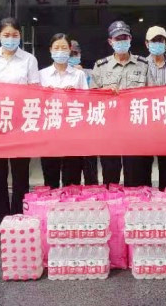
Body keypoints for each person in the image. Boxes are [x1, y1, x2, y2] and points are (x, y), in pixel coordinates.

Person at [0, 17, 40, 221]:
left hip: (20, 123)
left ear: (20, 36)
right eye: (6, 35)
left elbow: (34, 89)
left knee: (20, 172)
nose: (11, 39)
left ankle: (20, 217)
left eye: (15, 35)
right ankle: (2, 218)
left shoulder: (29, 59)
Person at [90, 20, 149, 186]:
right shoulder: (101, 66)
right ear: (110, 41)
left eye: (125, 38)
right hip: (110, 129)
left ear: (130, 39)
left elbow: (151, 94)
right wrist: (104, 91)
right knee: (110, 174)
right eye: (118, 39)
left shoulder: (143, 64)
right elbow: (92, 97)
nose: (122, 41)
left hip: (134, 128)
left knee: (134, 175)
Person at [39, 33, 88, 188]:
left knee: (72, 177)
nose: (60, 51)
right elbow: (34, 102)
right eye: (56, 48)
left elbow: (87, 102)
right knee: (50, 176)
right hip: (49, 131)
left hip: (73, 131)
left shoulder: (79, 74)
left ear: (69, 49)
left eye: (64, 48)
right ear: (50, 50)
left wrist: (76, 94)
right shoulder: (41, 75)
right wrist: (45, 95)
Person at [141, 25, 166, 190]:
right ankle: (146, 197)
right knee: (145, 164)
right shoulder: (140, 65)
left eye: (160, 40)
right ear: (146, 43)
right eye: (153, 41)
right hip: (145, 123)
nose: (157, 43)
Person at [69, 38, 99, 184]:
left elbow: (98, 94)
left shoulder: (91, 73)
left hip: (89, 128)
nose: (72, 57)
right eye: (70, 54)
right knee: (71, 170)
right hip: (70, 129)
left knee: (90, 171)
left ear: (80, 54)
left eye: (75, 53)